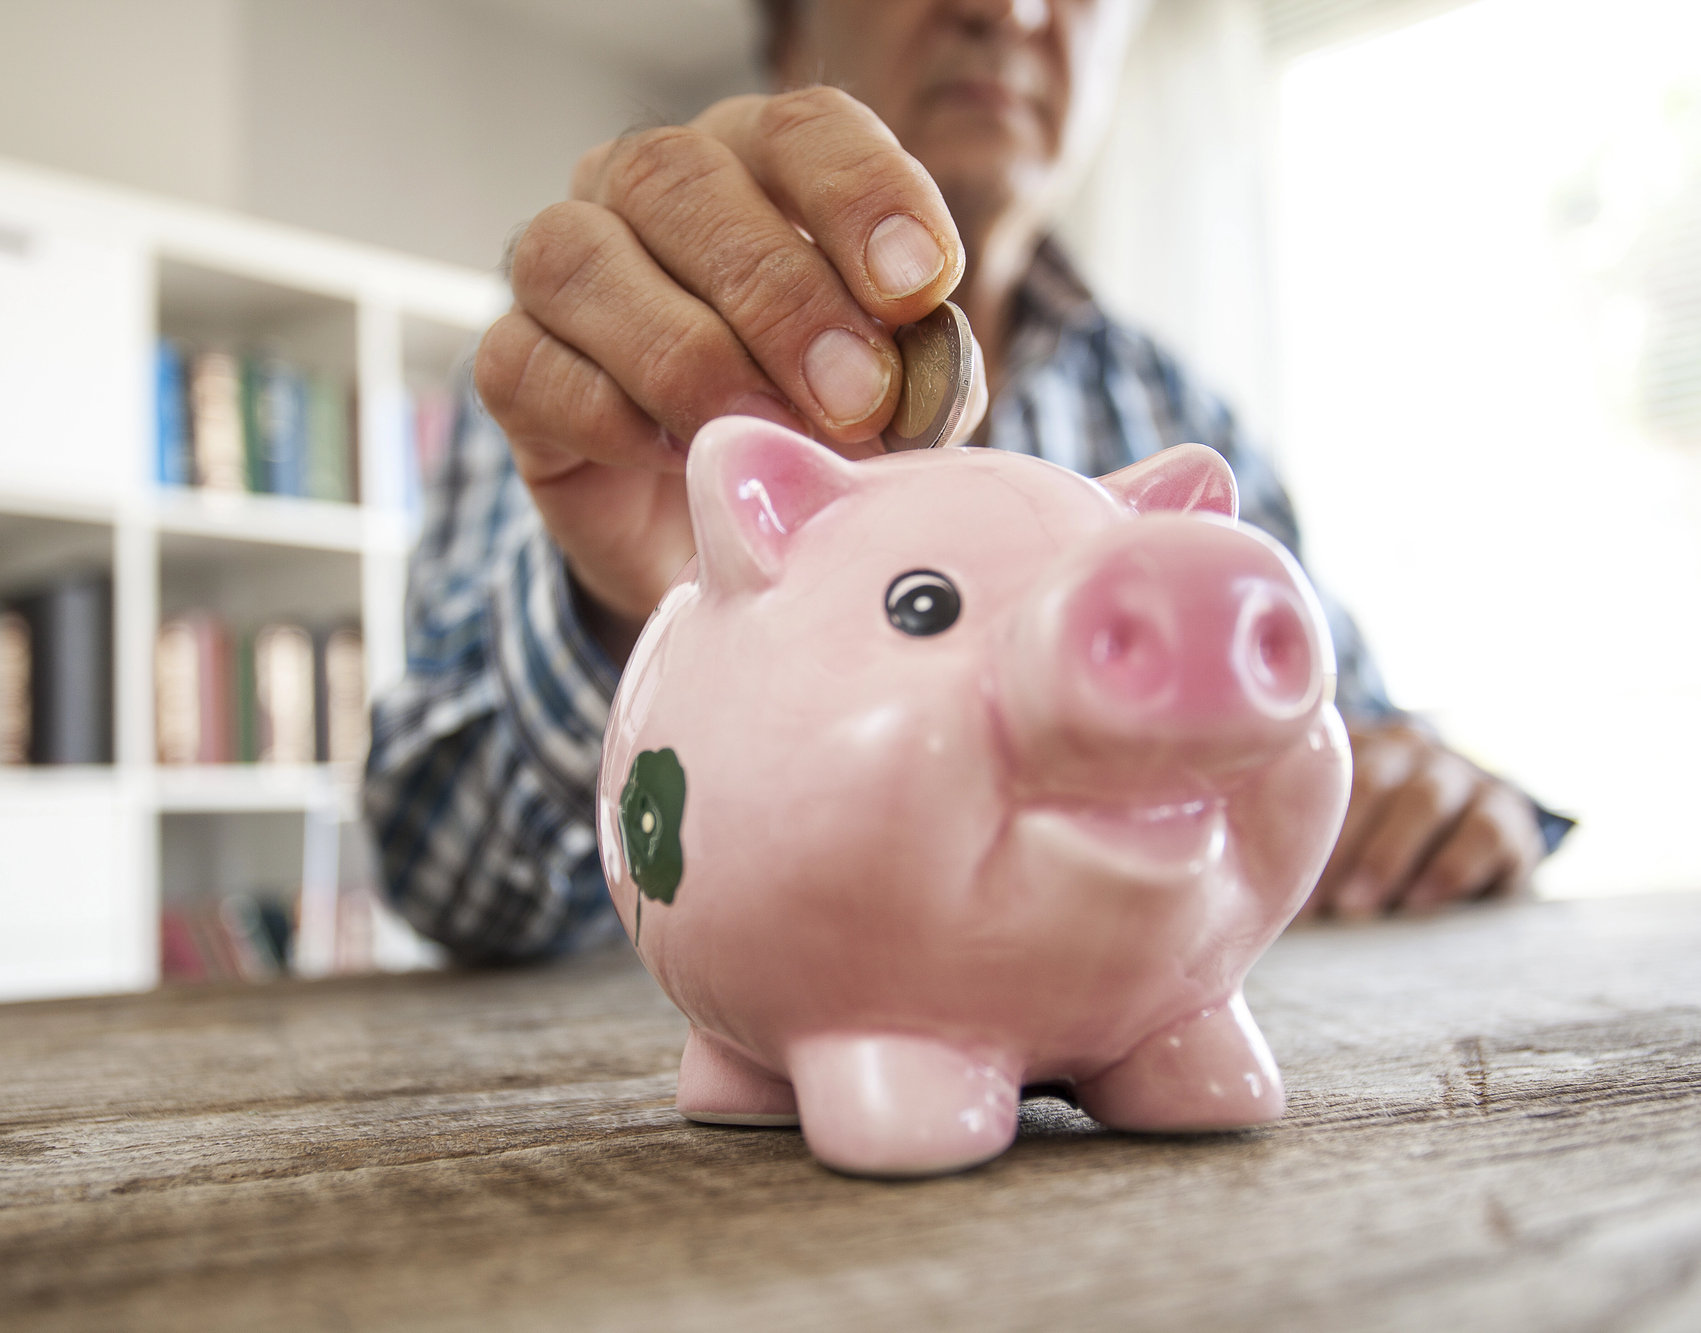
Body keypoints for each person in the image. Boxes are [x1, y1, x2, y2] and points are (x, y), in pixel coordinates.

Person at [364, 0, 1569, 963]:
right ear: (789, 31)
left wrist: (1433, 793)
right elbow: (443, 873)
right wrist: (649, 627)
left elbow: (1351, 725)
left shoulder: (1183, 414)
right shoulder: (607, 373)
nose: (1008, 9)